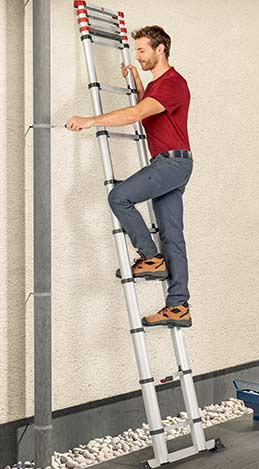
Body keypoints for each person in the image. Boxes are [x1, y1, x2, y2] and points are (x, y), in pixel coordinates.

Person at [66, 25, 193, 328]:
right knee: (173, 237)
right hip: (175, 165)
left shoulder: (174, 83)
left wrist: (91, 121)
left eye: (142, 50)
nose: (138, 55)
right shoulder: (158, 86)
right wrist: (136, 78)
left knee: (119, 196)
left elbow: (137, 113)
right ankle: (178, 306)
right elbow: (145, 104)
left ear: (160, 49)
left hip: (171, 165)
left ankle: (149, 257)